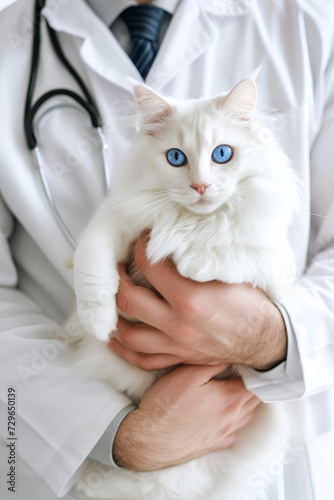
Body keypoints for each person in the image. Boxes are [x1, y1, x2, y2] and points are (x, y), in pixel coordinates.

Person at [0, 0, 334, 499]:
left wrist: (273, 336)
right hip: (74, 454)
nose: (201, 182)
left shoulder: (311, 23)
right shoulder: (10, 46)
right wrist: (111, 433)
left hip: (256, 450)